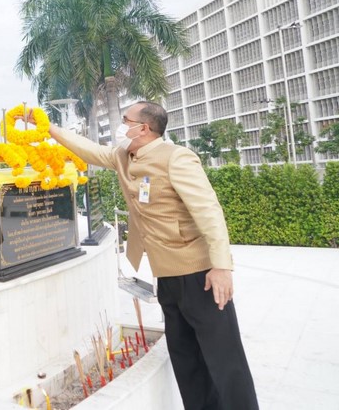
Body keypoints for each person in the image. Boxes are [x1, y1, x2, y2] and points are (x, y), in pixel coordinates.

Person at [28, 101, 258, 410]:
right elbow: (89, 150)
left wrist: (221, 266)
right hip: (166, 276)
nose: (121, 125)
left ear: (144, 128)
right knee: (186, 360)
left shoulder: (176, 158)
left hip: (200, 275)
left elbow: (209, 211)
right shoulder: (124, 156)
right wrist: (47, 127)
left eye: (126, 120)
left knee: (224, 361)